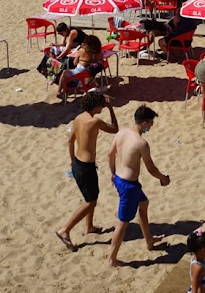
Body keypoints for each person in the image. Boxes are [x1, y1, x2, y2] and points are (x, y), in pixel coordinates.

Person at [107, 105, 171, 268]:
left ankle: (149, 240)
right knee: (123, 223)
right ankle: (111, 260)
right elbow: (151, 168)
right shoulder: (142, 143)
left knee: (143, 204)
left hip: (121, 180)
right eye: (150, 123)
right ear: (144, 122)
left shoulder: (121, 132)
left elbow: (110, 153)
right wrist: (163, 178)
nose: (151, 126)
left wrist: (113, 174)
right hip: (129, 186)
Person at [56, 91, 119, 252]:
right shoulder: (95, 121)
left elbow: (70, 141)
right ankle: (65, 230)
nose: (102, 108)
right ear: (95, 105)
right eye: (101, 105)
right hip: (86, 167)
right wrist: (111, 108)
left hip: (78, 164)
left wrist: (71, 161)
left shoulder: (78, 118)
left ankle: (89, 226)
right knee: (90, 201)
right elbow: (115, 129)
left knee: (92, 197)